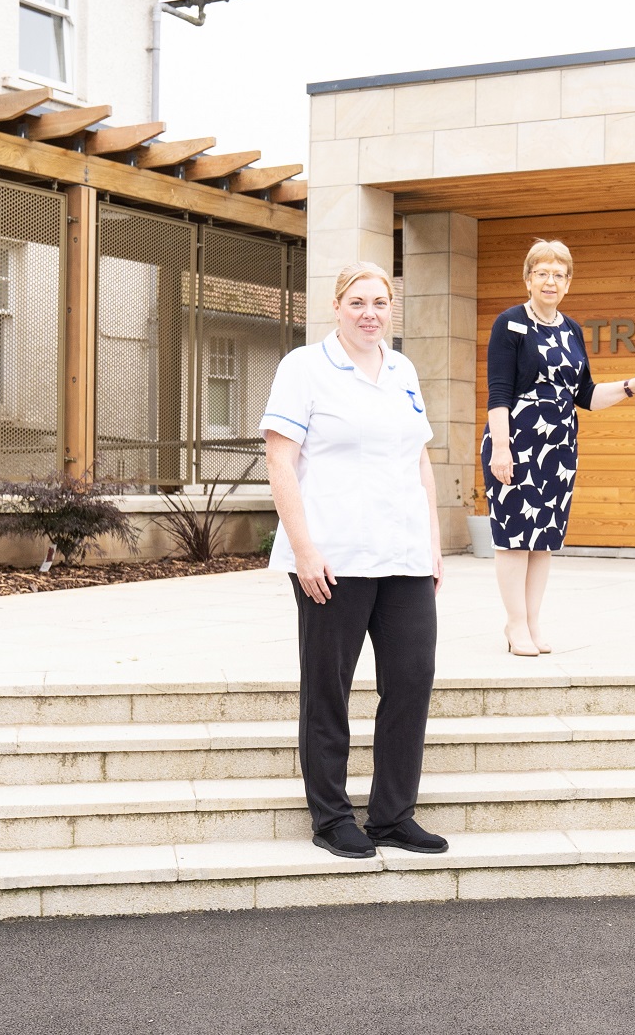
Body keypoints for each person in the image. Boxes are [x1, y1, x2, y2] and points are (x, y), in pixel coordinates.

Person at [261, 262, 448, 861]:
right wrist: (306, 549)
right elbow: (279, 462)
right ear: (337, 307)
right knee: (328, 688)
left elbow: (419, 463)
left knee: (412, 682)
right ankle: (332, 817)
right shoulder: (304, 368)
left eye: (381, 302)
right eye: (358, 302)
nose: (371, 313)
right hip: (332, 558)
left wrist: (434, 546)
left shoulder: (402, 370)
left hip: (404, 556)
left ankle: (393, 815)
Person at [484, 239, 635, 656]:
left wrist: (631, 386)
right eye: (542, 273)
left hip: (559, 447)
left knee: (544, 539)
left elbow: (587, 396)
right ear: (527, 279)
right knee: (514, 537)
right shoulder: (509, 323)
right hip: (517, 442)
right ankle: (515, 623)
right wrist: (502, 450)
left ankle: (533, 620)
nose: (550, 281)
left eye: (559, 275)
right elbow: (499, 393)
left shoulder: (571, 329)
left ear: (568, 284)